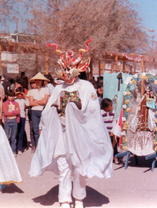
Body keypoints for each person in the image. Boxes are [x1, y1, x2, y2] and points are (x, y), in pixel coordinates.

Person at [29, 39, 113, 208]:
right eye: (64, 70)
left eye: (70, 70)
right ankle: (65, 199)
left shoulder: (86, 87)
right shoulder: (59, 88)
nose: (67, 74)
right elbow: (47, 110)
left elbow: (92, 110)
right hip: (62, 133)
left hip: (81, 134)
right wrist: (53, 111)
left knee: (80, 167)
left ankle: (79, 197)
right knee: (64, 166)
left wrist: (77, 110)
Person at [28, 72, 50, 150]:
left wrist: (36, 101)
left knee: (44, 129)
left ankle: (45, 146)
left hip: (43, 111)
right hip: (34, 112)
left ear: (42, 81)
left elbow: (45, 102)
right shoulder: (32, 91)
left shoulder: (46, 89)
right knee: (35, 129)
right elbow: (30, 103)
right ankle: (38, 147)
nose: (37, 82)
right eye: (36, 80)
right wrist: (40, 101)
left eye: (39, 80)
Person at [101, 98, 120, 164]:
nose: (112, 107)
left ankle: (115, 157)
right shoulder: (101, 113)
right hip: (104, 131)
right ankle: (104, 158)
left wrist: (112, 131)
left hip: (111, 131)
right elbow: (100, 124)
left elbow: (114, 122)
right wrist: (106, 132)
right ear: (105, 107)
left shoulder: (113, 113)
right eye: (110, 105)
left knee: (114, 142)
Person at [3, 90, 20, 155]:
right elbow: (6, 113)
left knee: (13, 137)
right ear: (7, 96)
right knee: (7, 137)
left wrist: (11, 112)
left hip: (14, 120)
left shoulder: (16, 103)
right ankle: (6, 151)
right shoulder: (5, 103)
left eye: (12, 96)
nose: (11, 98)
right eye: (9, 96)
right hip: (7, 121)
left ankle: (13, 151)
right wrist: (14, 112)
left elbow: (18, 112)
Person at [15, 87, 28, 155]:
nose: (19, 95)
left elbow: (28, 104)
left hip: (22, 116)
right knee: (15, 132)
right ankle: (15, 147)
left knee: (21, 132)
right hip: (15, 117)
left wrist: (24, 95)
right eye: (18, 94)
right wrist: (15, 94)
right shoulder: (15, 100)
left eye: (21, 94)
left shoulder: (24, 100)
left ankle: (20, 148)